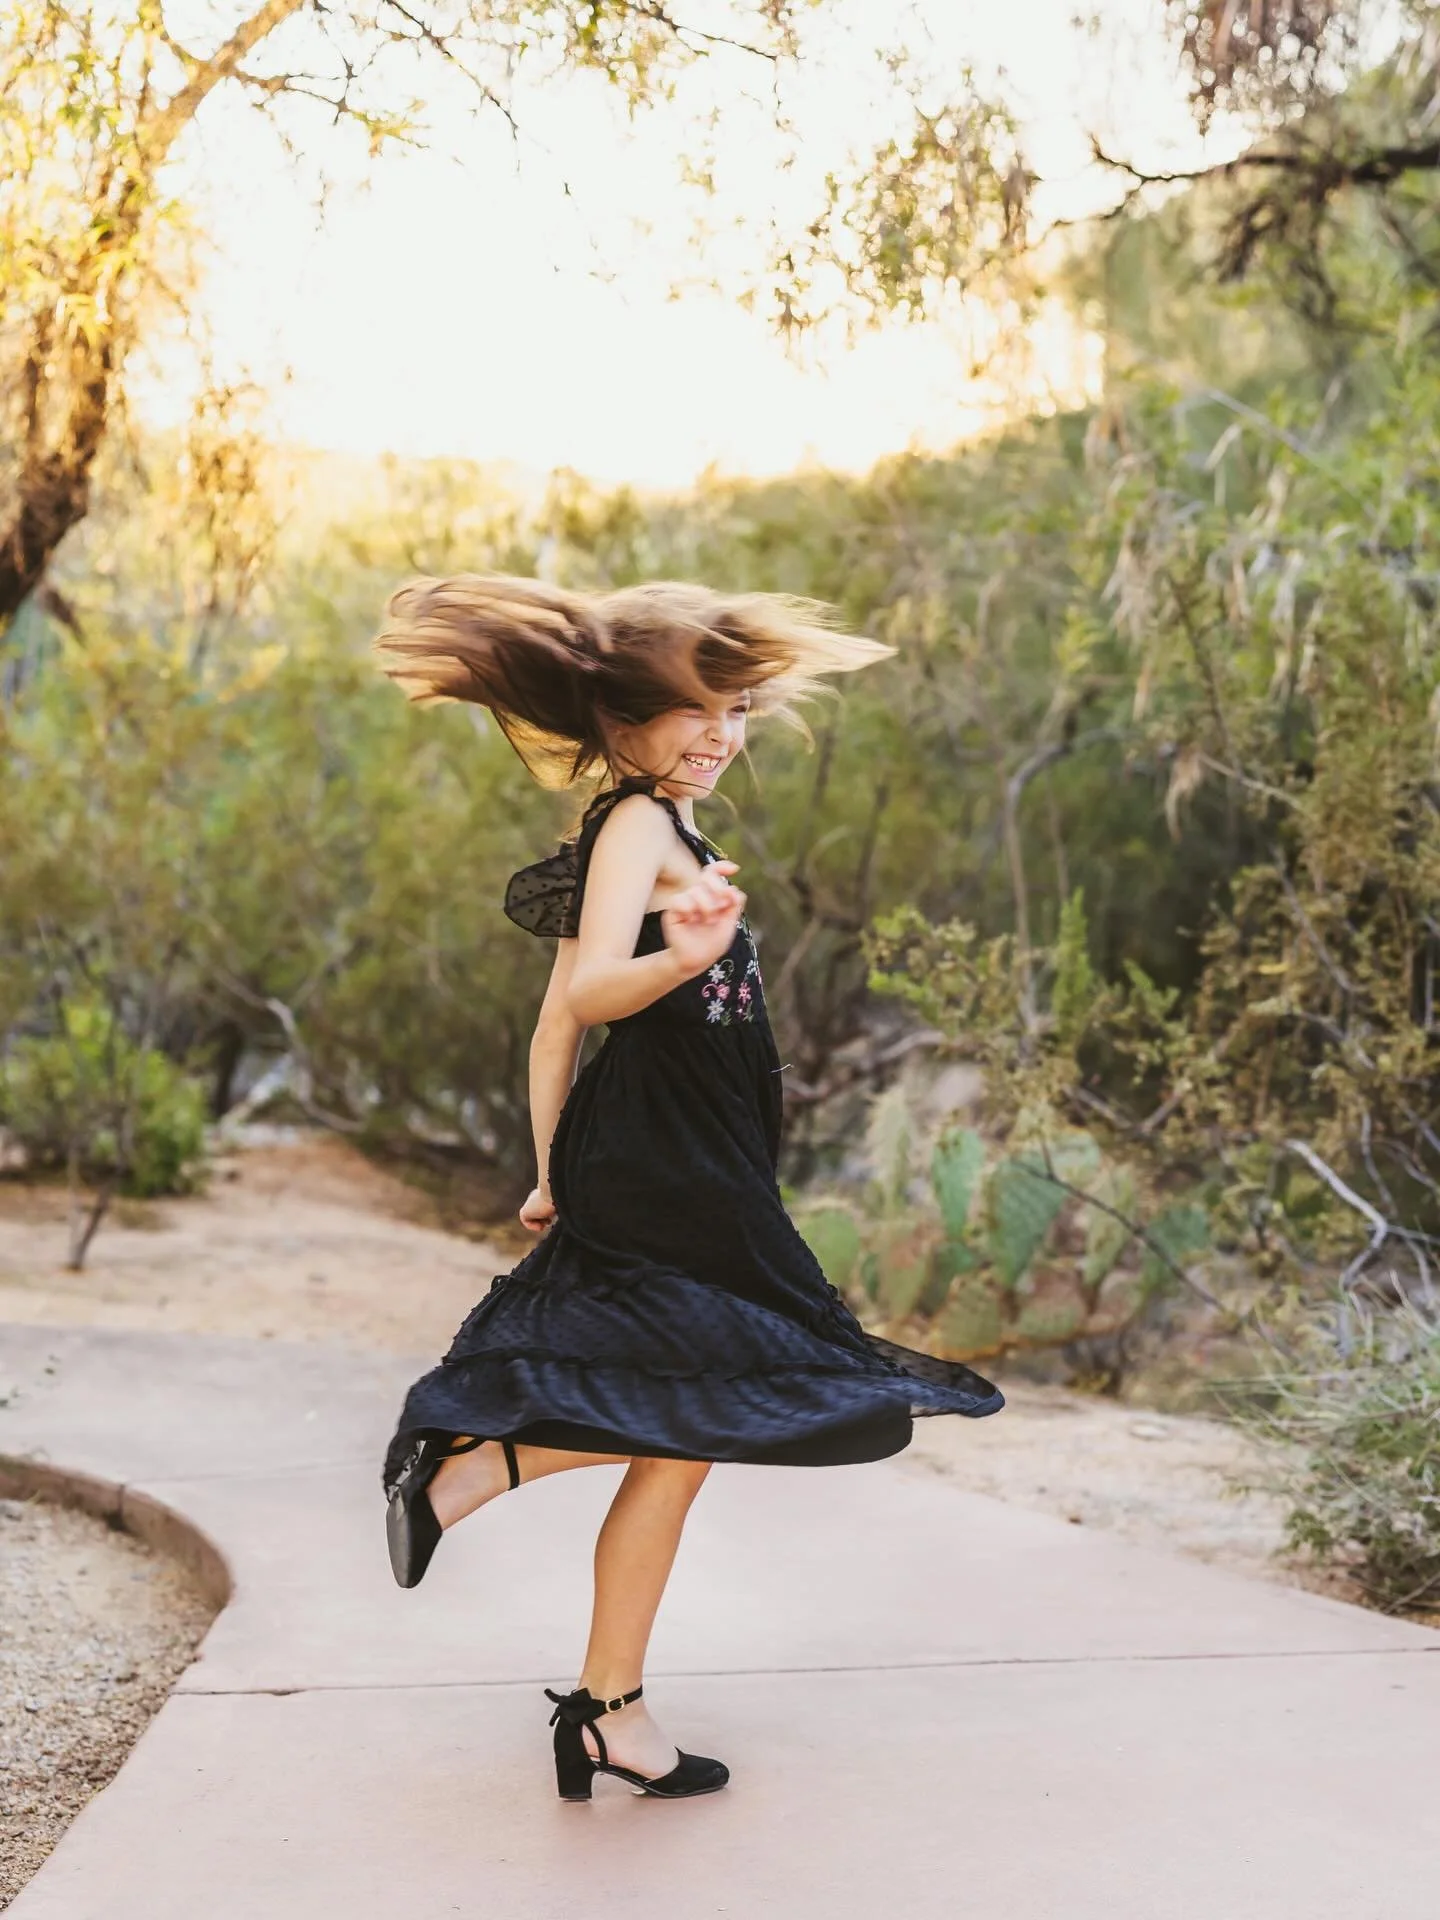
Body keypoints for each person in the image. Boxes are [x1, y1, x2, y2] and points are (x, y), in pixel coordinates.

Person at [374, 573, 1004, 1804]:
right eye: (693, 710)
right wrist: (690, 954)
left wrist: (550, 1170)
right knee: (756, 1394)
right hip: (669, 1166)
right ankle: (467, 1477)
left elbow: (553, 1031)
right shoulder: (633, 833)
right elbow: (599, 990)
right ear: (623, 726)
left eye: (740, 707)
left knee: (689, 1432)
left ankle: (610, 1705)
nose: (720, 733)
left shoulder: (664, 831)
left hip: (676, 1159)